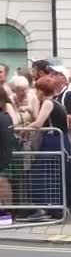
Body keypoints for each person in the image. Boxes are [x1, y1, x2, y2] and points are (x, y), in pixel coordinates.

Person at [27, 75, 71, 221]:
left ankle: (46, 207)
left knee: (42, 174)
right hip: (62, 141)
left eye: (37, 90)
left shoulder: (48, 103)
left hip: (53, 141)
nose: (36, 93)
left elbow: (39, 123)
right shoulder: (58, 103)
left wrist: (22, 128)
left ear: (41, 90)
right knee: (57, 175)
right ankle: (57, 208)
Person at [0, 87, 17, 225]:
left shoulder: (5, 113)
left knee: (3, 182)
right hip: (5, 152)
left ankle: (7, 212)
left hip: (4, 154)